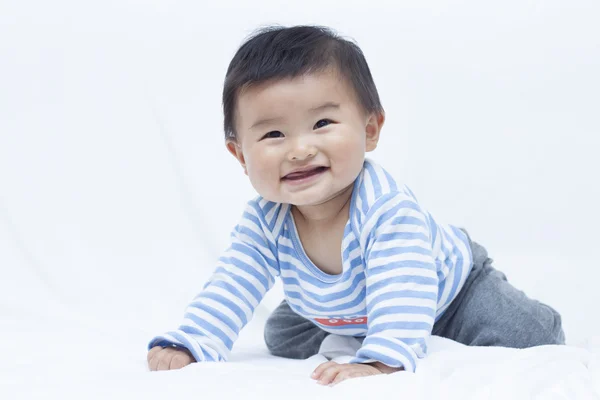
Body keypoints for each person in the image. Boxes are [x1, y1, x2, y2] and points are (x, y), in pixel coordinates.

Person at [147, 25, 565, 386]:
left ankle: (401, 334)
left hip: (446, 290)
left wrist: (381, 361)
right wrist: (192, 342)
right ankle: (354, 316)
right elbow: (231, 283)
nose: (299, 149)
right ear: (241, 156)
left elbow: (403, 283)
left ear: (369, 131)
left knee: (527, 333)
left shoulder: (385, 209)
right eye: (274, 134)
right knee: (281, 336)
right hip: (354, 305)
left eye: (322, 124)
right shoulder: (265, 220)